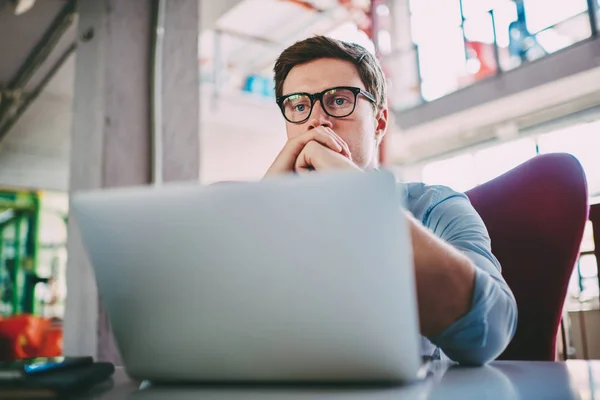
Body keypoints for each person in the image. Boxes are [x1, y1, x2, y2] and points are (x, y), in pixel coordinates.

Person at [264, 35, 518, 365]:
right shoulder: (265, 213)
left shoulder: (434, 206)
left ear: (379, 123)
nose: (316, 120)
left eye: (339, 101)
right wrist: (263, 208)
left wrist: (354, 191)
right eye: (299, 105)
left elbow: (489, 331)